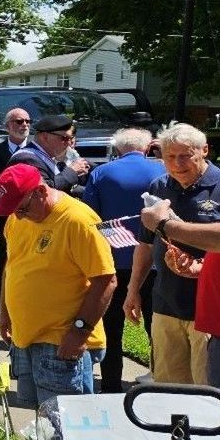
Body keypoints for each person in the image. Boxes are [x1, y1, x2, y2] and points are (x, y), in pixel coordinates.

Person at [131, 122, 220, 385]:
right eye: (169, 156)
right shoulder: (158, 186)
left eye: (185, 155)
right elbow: (146, 244)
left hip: (210, 313)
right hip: (165, 304)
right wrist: (133, 290)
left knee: (208, 394)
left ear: (204, 150)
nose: (176, 163)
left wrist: (202, 264)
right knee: (167, 388)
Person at [0, 164, 115, 405]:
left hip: (61, 341)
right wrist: (5, 313)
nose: (18, 215)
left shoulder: (78, 220)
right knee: (40, 419)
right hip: (25, 336)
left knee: (67, 424)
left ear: (40, 191)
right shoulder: (18, 218)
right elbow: (12, 267)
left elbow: (106, 281)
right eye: (13, 210)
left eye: (23, 208)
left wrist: (78, 333)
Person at [80, 127, 164, 392]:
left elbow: (91, 217)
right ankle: (162, 379)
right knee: (157, 325)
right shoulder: (162, 172)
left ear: (117, 149)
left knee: (112, 325)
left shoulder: (101, 173)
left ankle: (111, 383)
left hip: (113, 260)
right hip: (155, 261)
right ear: (148, 147)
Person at [0, 107, 31, 321]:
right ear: (7, 126)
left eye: (27, 121)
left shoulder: (35, 151)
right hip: (2, 220)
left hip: (30, 218)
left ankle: (20, 309)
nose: (24, 125)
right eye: (19, 121)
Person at [9, 114, 88, 192]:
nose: (68, 143)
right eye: (64, 138)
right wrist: (72, 171)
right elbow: (44, 191)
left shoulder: (42, 156)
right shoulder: (26, 159)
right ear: (45, 137)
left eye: (70, 138)